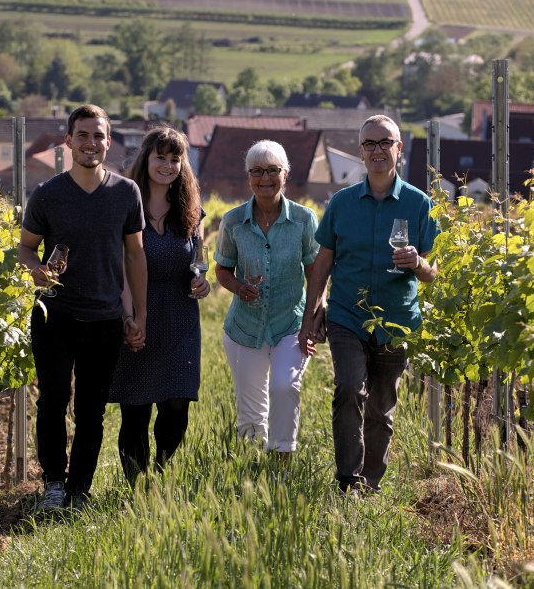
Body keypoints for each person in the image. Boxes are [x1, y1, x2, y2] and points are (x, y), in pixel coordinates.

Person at [18, 104, 148, 512]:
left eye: (98, 136)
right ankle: (54, 485)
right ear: (68, 141)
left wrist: (138, 315)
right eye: (83, 135)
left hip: (105, 318)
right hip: (54, 316)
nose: (91, 143)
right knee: (53, 400)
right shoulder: (48, 194)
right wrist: (36, 270)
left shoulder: (126, 193)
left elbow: (135, 257)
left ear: (108, 142)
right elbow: (24, 247)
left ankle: (79, 490)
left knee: (91, 409)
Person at [300, 115, 439, 494]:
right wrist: (310, 315)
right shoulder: (342, 204)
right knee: (348, 388)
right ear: (361, 152)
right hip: (348, 315)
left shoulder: (418, 203)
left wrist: (419, 264)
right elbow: (322, 264)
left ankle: (370, 484)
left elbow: (433, 272)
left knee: (381, 407)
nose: (377, 150)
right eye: (369, 144)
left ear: (399, 148)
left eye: (385, 143)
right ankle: (348, 480)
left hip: (396, 319)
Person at [111, 127, 209, 486]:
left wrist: (202, 279)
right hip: (136, 308)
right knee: (135, 410)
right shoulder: (124, 206)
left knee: (176, 405)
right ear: (146, 159)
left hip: (180, 316)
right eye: (161, 157)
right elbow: (121, 266)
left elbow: (199, 260)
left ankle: (162, 472)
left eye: (175, 159)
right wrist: (130, 317)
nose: (168, 165)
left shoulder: (191, 211)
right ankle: (137, 486)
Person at [215, 140, 321, 461]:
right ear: (248, 177)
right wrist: (238, 287)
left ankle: (281, 461)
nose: (265, 178)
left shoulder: (304, 220)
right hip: (244, 328)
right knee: (250, 414)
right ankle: (249, 475)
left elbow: (317, 274)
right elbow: (222, 269)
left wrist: (312, 323)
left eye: (272, 170)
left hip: (291, 324)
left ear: (285, 175)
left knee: (284, 387)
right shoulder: (233, 222)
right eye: (257, 171)